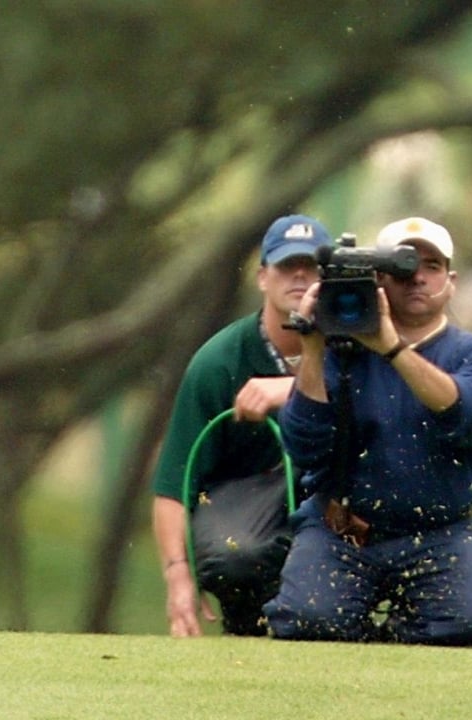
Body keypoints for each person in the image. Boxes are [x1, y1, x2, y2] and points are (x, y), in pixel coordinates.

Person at [263, 217, 472, 647]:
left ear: (451, 281)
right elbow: (304, 444)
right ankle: (367, 622)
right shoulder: (340, 351)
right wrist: (312, 347)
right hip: (344, 531)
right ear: (379, 280)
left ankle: (400, 626)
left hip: (440, 533)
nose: (417, 277)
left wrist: (391, 348)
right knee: (307, 620)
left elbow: (465, 411)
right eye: (402, 268)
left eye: (432, 266)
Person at [151, 214, 334, 637]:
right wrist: (178, 576)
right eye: (288, 266)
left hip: (337, 494)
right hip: (248, 508)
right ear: (263, 278)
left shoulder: (358, 342)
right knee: (235, 553)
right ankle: (247, 622)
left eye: (313, 266)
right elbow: (173, 486)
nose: (301, 276)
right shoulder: (219, 363)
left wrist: (290, 389)